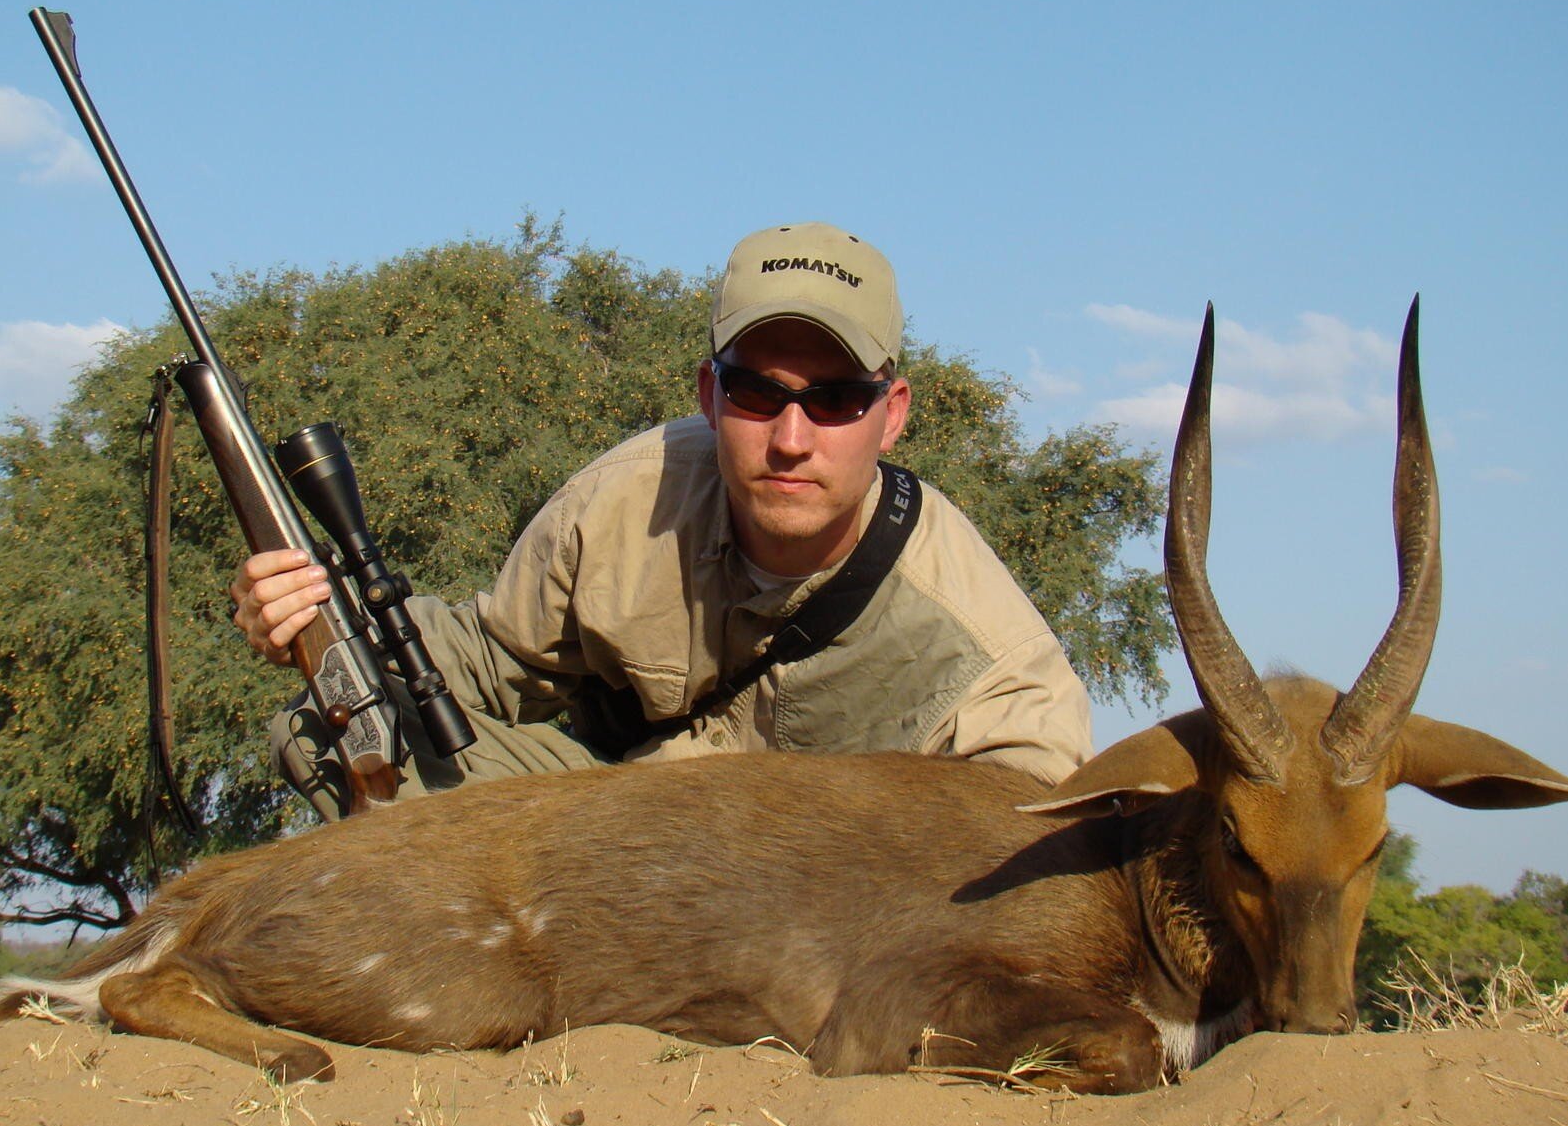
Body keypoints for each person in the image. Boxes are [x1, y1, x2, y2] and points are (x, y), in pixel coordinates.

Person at [233, 222, 1093, 817]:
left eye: (835, 401)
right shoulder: (621, 501)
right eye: (759, 393)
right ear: (709, 395)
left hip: (819, 909)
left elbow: (1037, 824)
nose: (791, 440)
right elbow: (477, 666)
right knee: (334, 729)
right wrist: (317, 619)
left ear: (893, 414)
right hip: (619, 842)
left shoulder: (982, 643)